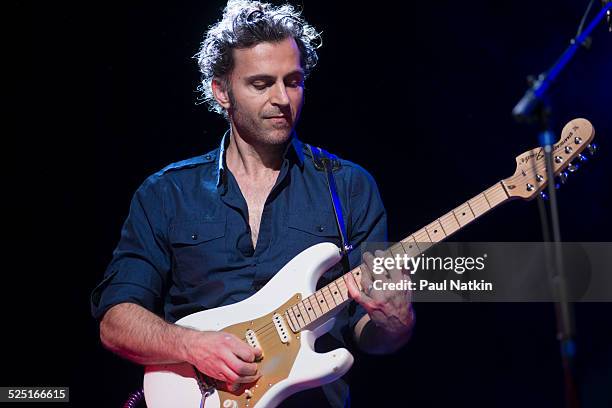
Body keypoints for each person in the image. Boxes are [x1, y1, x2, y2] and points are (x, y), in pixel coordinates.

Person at [91, 1, 415, 406]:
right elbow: (116, 322)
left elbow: (371, 337)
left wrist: (395, 322)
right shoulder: (166, 193)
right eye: (261, 84)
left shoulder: (349, 187)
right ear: (222, 91)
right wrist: (192, 346)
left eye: (293, 81)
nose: (282, 98)